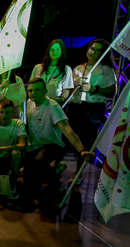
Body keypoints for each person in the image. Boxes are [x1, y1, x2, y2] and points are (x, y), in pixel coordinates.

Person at [15, 78, 93, 210]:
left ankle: (57, 186)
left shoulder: (53, 107)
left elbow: (68, 130)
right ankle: (56, 170)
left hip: (53, 145)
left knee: (39, 161)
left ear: (44, 91)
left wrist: (81, 150)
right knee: (29, 176)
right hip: (34, 146)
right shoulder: (28, 103)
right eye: (30, 90)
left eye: (37, 90)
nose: (32, 93)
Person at [68, 38, 117, 184]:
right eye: (92, 48)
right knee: (69, 136)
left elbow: (112, 91)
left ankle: (78, 173)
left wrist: (94, 89)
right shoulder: (78, 68)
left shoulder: (105, 69)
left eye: (97, 50)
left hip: (93, 107)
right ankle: (56, 165)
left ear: (102, 54)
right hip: (76, 105)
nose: (93, 52)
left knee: (86, 140)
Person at [0, 99, 26, 197]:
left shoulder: (19, 124)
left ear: (12, 112)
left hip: (14, 157)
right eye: (1, 112)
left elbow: (22, 145)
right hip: (0, 158)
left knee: (16, 153)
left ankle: (13, 182)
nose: (4, 115)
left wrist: (1, 148)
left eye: (7, 112)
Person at [30, 39, 74, 104]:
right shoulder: (38, 67)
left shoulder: (66, 69)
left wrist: (61, 99)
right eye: (52, 49)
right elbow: (31, 85)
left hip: (55, 101)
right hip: (38, 101)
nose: (54, 51)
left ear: (62, 51)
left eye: (58, 49)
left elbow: (66, 89)